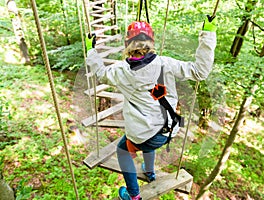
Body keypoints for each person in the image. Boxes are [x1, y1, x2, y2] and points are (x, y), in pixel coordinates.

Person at [85, 15, 217, 200]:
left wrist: (91, 50)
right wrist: (208, 34)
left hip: (146, 136)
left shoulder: (120, 72)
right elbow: (199, 71)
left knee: (123, 150)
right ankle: (150, 171)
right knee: (149, 133)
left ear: (127, 44)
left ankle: (133, 196)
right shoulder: (166, 64)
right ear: (150, 42)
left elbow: (99, 73)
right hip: (169, 130)